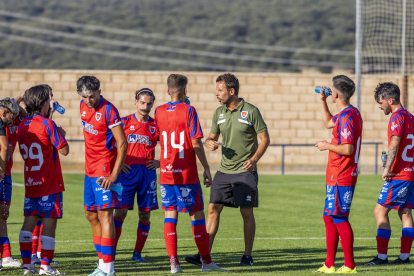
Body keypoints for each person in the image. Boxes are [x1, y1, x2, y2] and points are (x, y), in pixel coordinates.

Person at [185, 73, 270, 267]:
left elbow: (265, 139)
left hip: (245, 171)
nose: (217, 94)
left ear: (231, 91)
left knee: (246, 213)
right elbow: (210, 137)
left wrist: (254, 159)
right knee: (213, 209)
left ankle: (247, 256)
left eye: (220, 90)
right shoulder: (219, 112)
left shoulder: (250, 111)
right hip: (224, 171)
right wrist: (209, 143)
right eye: (217, 90)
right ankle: (203, 255)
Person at [155, 74, 223, 274]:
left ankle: (174, 263)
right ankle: (206, 262)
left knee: (170, 214)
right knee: (196, 214)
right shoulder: (189, 110)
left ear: (168, 91)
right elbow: (195, 143)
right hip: (186, 174)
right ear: (185, 91)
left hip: (167, 174)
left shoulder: (158, 111)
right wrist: (207, 167)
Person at [77, 76, 127, 276]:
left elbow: (122, 143)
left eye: (91, 96)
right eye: (84, 96)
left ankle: (108, 268)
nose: (88, 100)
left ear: (99, 91)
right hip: (89, 170)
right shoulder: (82, 106)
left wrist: (114, 174)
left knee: (106, 214)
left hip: (104, 170)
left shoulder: (109, 110)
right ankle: (101, 263)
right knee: (91, 214)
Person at [17, 85, 69, 275]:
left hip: (32, 181)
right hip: (49, 182)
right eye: (48, 100)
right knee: (49, 222)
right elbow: (63, 149)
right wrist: (62, 135)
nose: (50, 103)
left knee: (28, 222)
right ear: (43, 103)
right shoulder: (47, 124)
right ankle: (45, 267)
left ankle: (26, 266)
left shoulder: (22, 125)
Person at [313, 75, 362, 274]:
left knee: (339, 217)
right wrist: (323, 101)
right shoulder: (347, 113)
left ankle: (350, 265)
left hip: (342, 173)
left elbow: (348, 148)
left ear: (335, 93)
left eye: (330, 91)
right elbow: (327, 123)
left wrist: (327, 146)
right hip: (335, 173)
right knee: (328, 216)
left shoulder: (348, 116)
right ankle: (329, 263)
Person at [362, 82, 414, 266]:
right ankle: (404, 257)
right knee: (405, 211)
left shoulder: (397, 117)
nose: (380, 105)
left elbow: (395, 142)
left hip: (399, 174)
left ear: (390, 100)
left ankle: (382, 257)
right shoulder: (411, 117)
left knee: (379, 211)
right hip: (410, 172)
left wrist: (387, 168)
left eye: (381, 101)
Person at [113, 88, 159, 261]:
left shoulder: (156, 125)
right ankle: (111, 252)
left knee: (145, 214)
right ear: (136, 102)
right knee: (120, 213)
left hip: (147, 175)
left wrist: (161, 162)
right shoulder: (123, 122)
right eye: (142, 102)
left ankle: (137, 253)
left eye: (149, 103)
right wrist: (117, 162)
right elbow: (109, 144)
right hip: (125, 174)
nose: (145, 106)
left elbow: (171, 145)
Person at [0, 97, 22, 269]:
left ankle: (6, 256)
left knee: (3, 214)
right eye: (12, 116)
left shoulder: (10, 125)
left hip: (6, 175)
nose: (14, 120)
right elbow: (4, 147)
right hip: (2, 174)